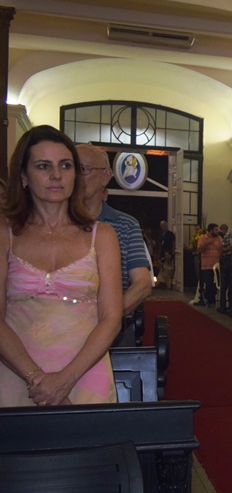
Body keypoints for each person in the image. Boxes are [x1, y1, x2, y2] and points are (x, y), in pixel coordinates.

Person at [0, 125, 121, 406]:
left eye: (65, 165)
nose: (56, 175)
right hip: (17, 374)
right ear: (23, 176)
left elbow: (112, 318)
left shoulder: (102, 236)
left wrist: (65, 379)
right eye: (43, 166)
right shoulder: (5, 234)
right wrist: (36, 379)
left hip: (85, 374)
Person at [75, 144, 153, 319]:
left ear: (105, 176)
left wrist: (108, 318)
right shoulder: (58, 222)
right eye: (70, 168)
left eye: (84, 169)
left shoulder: (126, 225)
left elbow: (142, 284)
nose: (75, 177)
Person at [196, 222, 223, 307]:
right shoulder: (203, 238)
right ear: (211, 230)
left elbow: (221, 249)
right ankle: (210, 300)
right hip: (206, 265)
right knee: (208, 283)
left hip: (217, 265)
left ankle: (212, 299)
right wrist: (207, 242)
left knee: (216, 284)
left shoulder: (219, 238)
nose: (217, 231)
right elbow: (199, 249)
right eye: (216, 230)